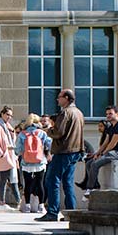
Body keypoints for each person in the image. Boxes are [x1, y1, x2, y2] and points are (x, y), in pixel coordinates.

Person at [38, 89, 85, 222]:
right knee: (68, 183)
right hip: (75, 152)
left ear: (66, 98)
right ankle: (71, 213)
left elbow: (58, 132)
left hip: (64, 151)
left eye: (59, 97)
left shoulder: (66, 112)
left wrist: (47, 131)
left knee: (52, 180)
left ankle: (52, 212)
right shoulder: (79, 113)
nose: (57, 100)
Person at [80, 105, 118, 192]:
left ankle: (90, 188)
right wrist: (97, 153)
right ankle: (95, 185)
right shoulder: (111, 126)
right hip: (111, 152)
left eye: (111, 114)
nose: (108, 116)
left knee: (95, 164)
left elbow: (113, 143)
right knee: (89, 163)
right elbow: (106, 142)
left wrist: (102, 154)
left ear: (117, 114)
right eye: (107, 114)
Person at [0, 109, 20, 209]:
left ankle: (18, 201)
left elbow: (13, 140)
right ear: (2, 114)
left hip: (11, 155)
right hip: (5, 156)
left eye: (11, 115)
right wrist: (1, 154)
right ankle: (4, 202)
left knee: (13, 179)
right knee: (4, 179)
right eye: (7, 114)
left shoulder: (8, 127)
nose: (9, 117)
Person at [17, 115, 50, 212]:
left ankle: (27, 206)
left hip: (26, 162)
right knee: (40, 183)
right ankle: (41, 206)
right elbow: (48, 144)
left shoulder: (22, 134)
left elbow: (17, 149)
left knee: (27, 184)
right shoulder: (42, 133)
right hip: (40, 162)